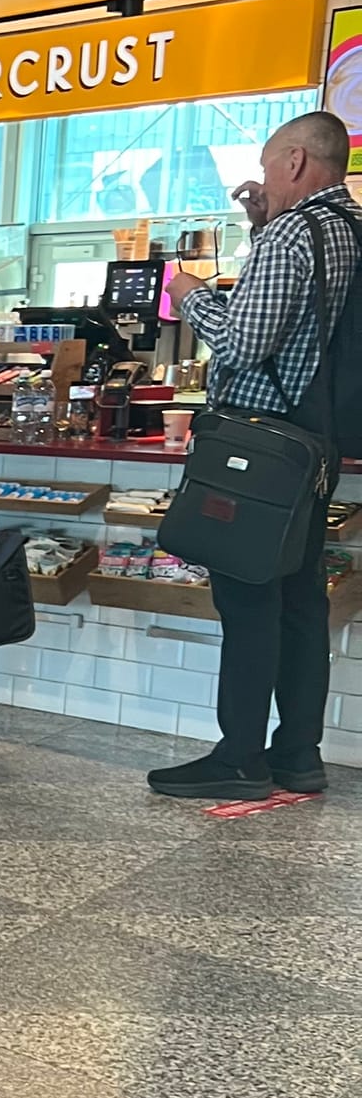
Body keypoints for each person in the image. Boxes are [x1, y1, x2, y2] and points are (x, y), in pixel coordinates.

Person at [157, 108, 361, 801]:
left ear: (296, 162)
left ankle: (239, 755)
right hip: (315, 444)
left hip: (258, 446)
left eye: (269, 166)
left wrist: (191, 296)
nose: (263, 178)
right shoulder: (348, 229)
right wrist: (259, 224)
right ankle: (298, 753)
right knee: (300, 599)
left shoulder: (293, 233)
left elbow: (244, 343)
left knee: (247, 596)